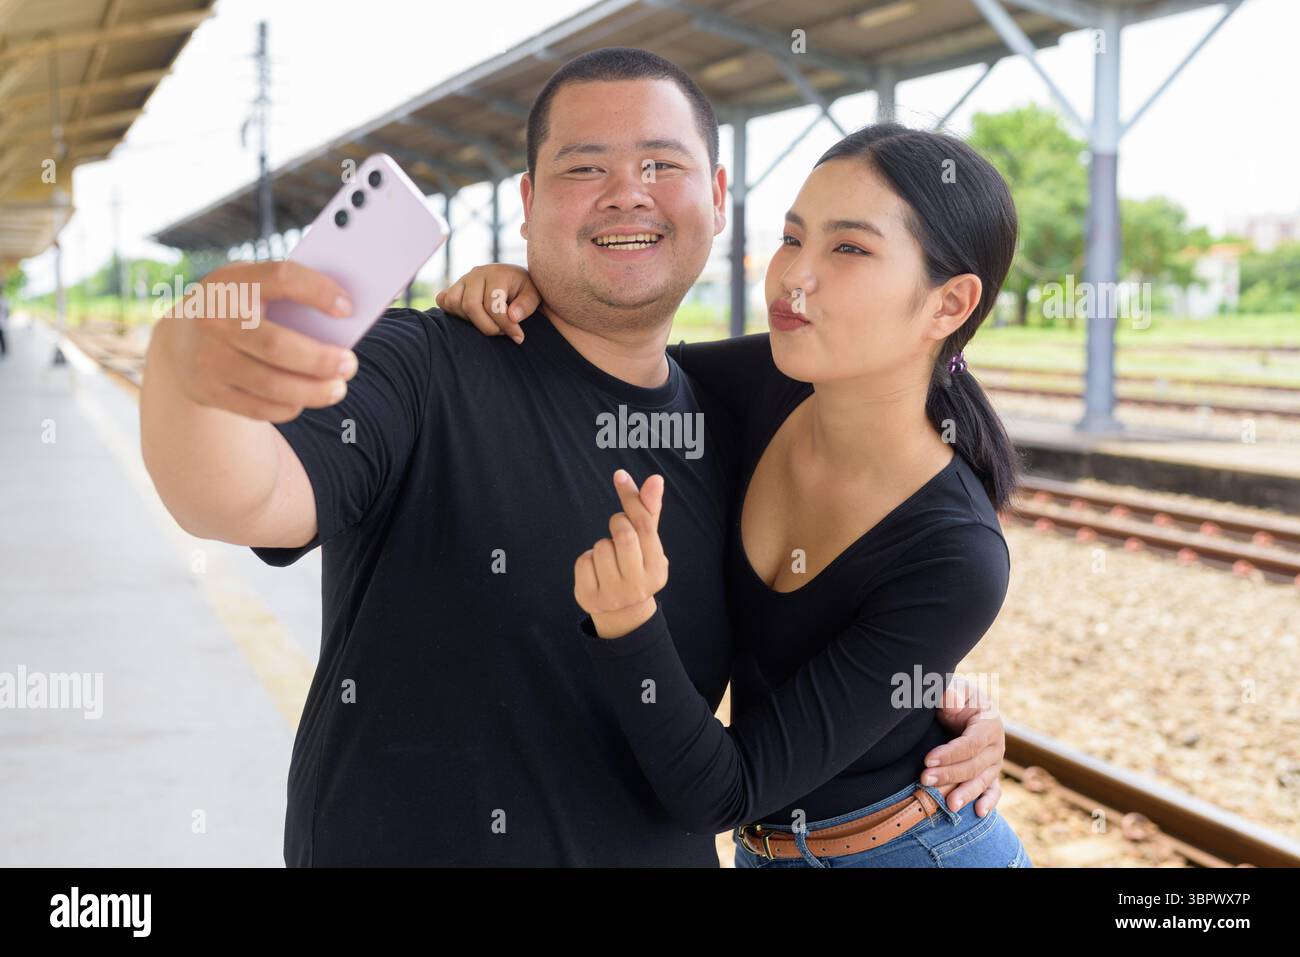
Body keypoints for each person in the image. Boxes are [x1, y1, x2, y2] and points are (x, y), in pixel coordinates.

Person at [139, 47, 1004, 867]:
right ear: (525, 200)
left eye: (661, 166)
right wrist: (187, 365)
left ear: (715, 195)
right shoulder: (421, 364)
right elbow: (239, 498)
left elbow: (882, 540)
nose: (628, 194)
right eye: (584, 168)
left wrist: (932, 696)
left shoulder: (735, 409)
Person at [438, 121, 1031, 867]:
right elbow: (601, 372)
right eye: (792, 237)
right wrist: (521, 292)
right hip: (772, 853)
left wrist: (626, 621)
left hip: (913, 851)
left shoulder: (956, 553)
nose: (792, 276)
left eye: (848, 248)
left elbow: (725, 790)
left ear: (949, 305)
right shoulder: (756, 383)